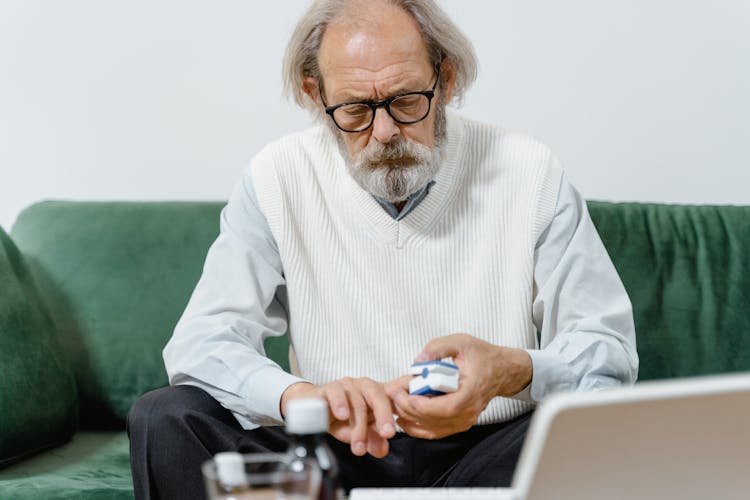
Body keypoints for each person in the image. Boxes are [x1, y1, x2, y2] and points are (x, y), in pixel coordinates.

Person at [127, 0, 638, 498]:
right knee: (165, 417)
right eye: (354, 110)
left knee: (611, 436)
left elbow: (608, 353)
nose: (386, 131)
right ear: (315, 93)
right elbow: (201, 344)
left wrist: (509, 371)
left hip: (492, 449)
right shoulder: (275, 178)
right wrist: (302, 398)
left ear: (447, 78)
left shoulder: (531, 171)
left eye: (406, 100)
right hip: (334, 452)